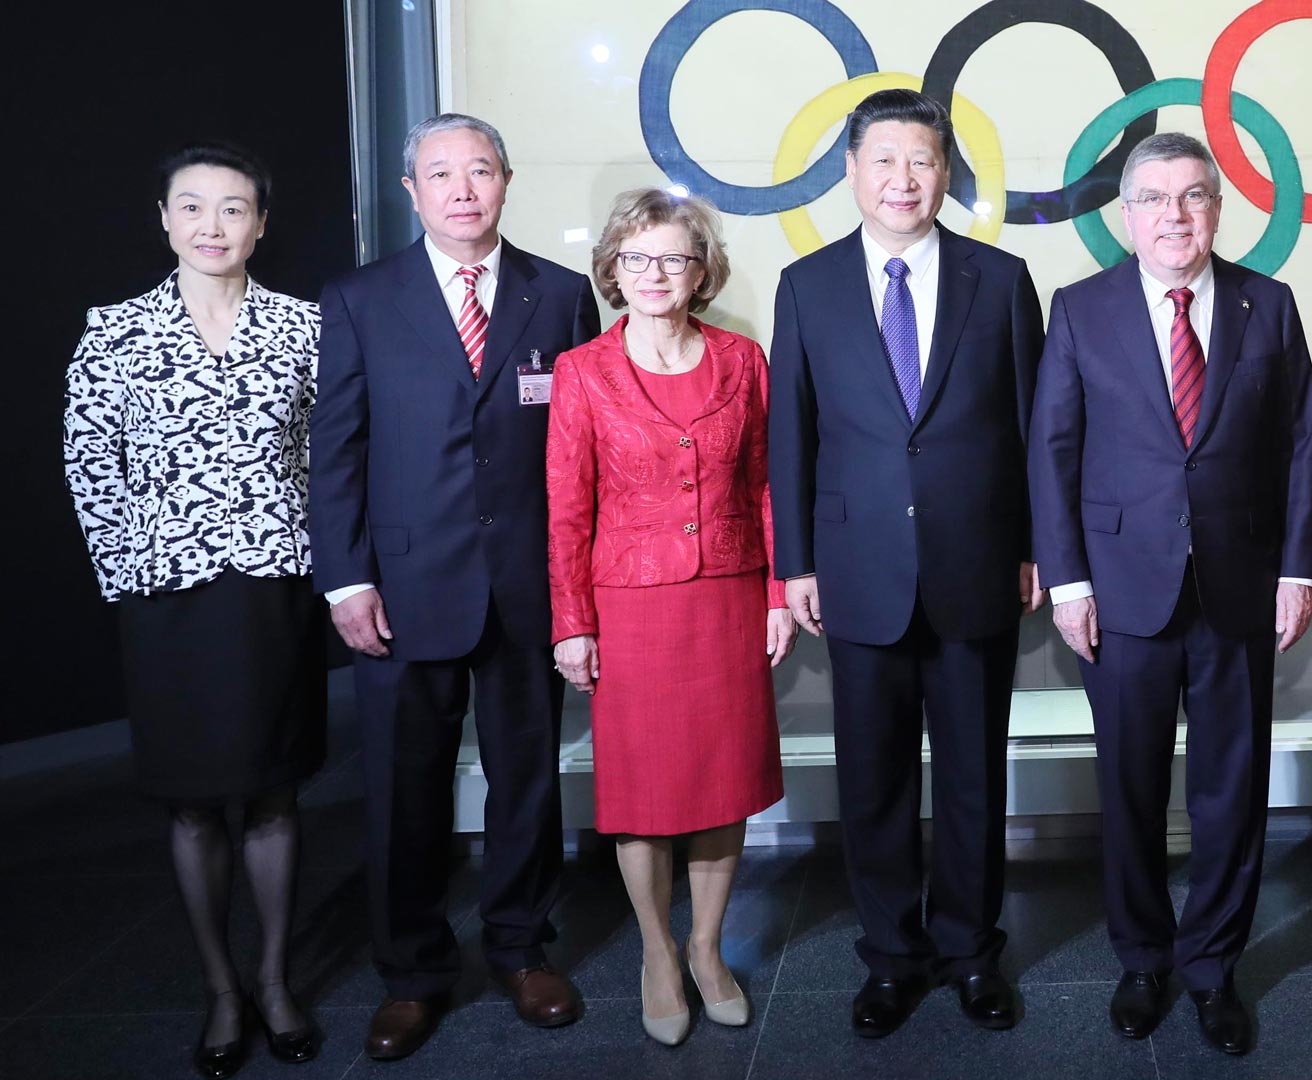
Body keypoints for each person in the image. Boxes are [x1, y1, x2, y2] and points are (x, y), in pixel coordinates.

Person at [309, 112, 601, 1061]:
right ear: (412, 192)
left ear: (507, 181)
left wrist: (579, 581)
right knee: (404, 787)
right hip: (401, 583)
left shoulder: (560, 296)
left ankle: (521, 947)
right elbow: (336, 449)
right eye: (441, 174)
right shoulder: (360, 298)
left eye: (480, 170)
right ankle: (413, 972)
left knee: (527, 777)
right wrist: (346, 579)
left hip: (526, 583)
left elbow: (580, 449)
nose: (463, 189)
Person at [1028, 132, 1312, 1056]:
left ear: (1218, 209)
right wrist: (1068, 580)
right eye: (1154, 199)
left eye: (1193, 196)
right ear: (1126, 215)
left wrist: (1299, 569)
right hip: (1120, 591)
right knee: (1129, 785)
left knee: (1231, 788)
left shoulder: (1269, 303)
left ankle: (1212, 968)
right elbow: (1053, 452)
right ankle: (1143, 958)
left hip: (1240, 584)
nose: (1174, 215)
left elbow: (1299, 445)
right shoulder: (1080, 309)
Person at [768, 88, 1044, 1038]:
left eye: (921, 160)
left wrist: (1032, 548)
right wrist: (796, 562)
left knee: (972, 774)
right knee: (874, 778)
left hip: (976, 564)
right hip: (856, 568)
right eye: (883, 160)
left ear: (945, 173)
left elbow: (1032, 431)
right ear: (851, 171)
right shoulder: (806, 286)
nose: (902, 179)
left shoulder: (1000, 279)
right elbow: (792, 434)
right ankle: (890, 956)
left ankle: (970, 952)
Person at [63, 142, 326, 1079]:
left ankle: (275, 980)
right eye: (193, 206)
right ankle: (220, 989)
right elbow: (91, 467)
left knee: (275, 793)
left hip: (272, 590)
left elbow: (325, 460)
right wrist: (130, 575)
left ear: (261, 223)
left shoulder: (303, 328)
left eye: (233, 208)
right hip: (166, 600)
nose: (212, 226)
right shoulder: (113, 331)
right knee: (192, 805)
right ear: (164, 218)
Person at [546, 188, 795, 1045]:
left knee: (724, 783)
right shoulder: (582, 371)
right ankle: (657, 953)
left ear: (701, 272)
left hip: (727, 596)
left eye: (674, 258)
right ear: (613, 269)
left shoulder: (744, 360)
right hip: (629, 606)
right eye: (636, 258)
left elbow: (767, 485)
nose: (654, 274)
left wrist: (776, 594)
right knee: (642, 794)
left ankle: (706, 949)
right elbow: (566, 510)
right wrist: (571, 623)